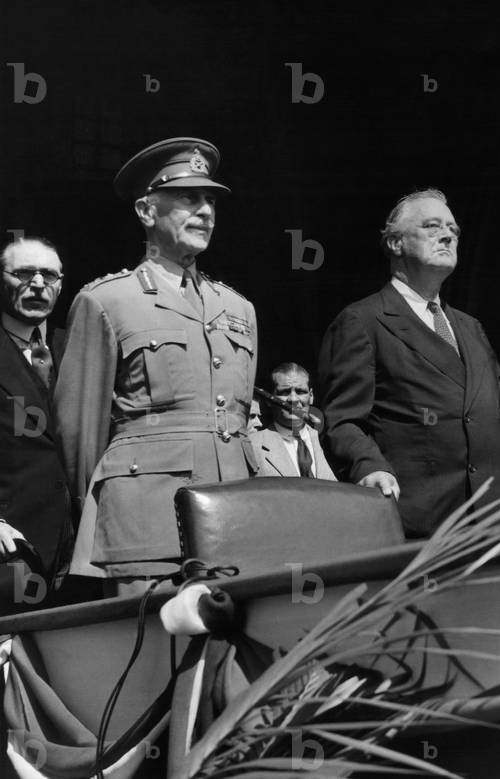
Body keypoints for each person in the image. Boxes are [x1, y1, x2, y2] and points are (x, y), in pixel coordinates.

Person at [55, 137, 258, 585]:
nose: (205, 210)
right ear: (147, 212)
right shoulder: (107, 301)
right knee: (149, 646)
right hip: (145, 523)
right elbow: (79, 434)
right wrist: (105, 511)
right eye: (188, 198)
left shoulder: (238, 309)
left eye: (210, 200)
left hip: (236, 515)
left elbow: (236, 420)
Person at [318, 188, 500, 537]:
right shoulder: (363, 321)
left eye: (453, 230)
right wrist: (369, 466)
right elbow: (344, 421)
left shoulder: (471, 327)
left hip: (495, 519)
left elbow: (498, 413)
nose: (447, 236)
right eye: (432, 226)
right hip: (423, 523)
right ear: (395, 243)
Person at [0, 237, 73, 603]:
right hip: (12, 546)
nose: (38, 284)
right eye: (24, 273)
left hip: (79, 551)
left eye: (49, 275)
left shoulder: (74, 347)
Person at [251, 362, 336, 480]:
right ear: (269, 400)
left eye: (300, 392)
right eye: (284, 392)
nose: (293, 399)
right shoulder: (252, 446)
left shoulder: (330, 442)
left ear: (311, 396)